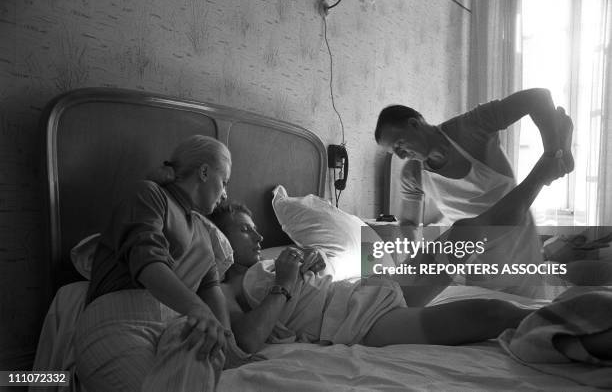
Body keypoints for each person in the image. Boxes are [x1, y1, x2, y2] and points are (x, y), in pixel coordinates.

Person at [210, 153, 590, 353]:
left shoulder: (267, 262)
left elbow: (315, 278)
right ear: (220, 241)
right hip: (358, 328)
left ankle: (541, 174)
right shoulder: (222, 291)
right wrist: (286, 283)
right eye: (245, 229)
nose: (259, 234)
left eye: (255, 226)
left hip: (362, 292)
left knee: (465, 233)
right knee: (491, 313)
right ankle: (576, 322)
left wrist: (311, 260)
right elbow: (245, 340)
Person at [374, 88, 574, 297]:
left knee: (526, 313)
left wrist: (553, 151)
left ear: (414, 124)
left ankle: (555, 160)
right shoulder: (412, 175)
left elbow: (538, 97)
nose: (400, 155)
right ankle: (554, 162)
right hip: (470, 254)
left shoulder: (471, 127)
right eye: (394, 152)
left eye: (399, 144)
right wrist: (416, 259)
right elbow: (409, 223)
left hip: (515, 242)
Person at [74, 135, 235, 392]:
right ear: (204, 172)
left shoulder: (205, 234)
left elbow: (211, 289)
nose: (225, 194)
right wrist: (198, 310)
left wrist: (227, 343)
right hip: (123, 321)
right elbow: (147, 261)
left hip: (180, 326)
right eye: (224, 182)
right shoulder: (149, 194)